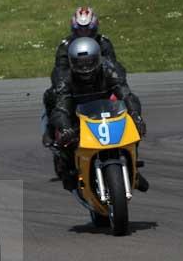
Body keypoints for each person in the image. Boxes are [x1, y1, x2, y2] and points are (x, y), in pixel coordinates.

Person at [49, 37, 148, 191]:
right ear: (71, 62)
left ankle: (134, 168)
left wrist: (136, 115)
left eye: (89, 62)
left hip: (107, 111)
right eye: (80, 63)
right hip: (79, 116)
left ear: (97, 59)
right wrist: (65, 128)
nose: (85, 68)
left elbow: (127, 95)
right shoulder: (65, 80)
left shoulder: (109, 71)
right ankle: (70, 172)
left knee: (134, 128)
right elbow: (61, 108)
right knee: (65, 142)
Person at [42, 6, 126, 146]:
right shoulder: (65, 46)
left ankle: (129, 127)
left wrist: (115, 78)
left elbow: (114, 65)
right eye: (80, 30)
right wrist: (64, 84)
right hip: (75, 84)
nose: (84, 33)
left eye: (88, 29)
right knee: (50, 95)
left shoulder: (104, 42)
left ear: (94, 28)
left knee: (122, 93)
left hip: (99, 82)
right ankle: (52, 130)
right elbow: (59, 71)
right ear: (74, 29)